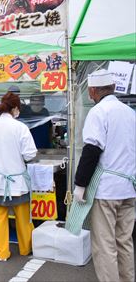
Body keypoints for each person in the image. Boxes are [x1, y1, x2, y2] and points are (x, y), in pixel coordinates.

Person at [66, 69, 135, 282]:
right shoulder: (130, 113)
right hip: (129, 188)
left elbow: (91, 151)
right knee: (124, 241)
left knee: (105, 245)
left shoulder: (99, 112)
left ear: (93, 90)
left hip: (107, 191)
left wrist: (79, 185)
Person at [0, 92, 37, 261]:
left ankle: (2, 253)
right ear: (15, 108)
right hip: (18, 182)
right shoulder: (20, 127)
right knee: (23, 219)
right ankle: (26, 249)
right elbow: (30, 155)